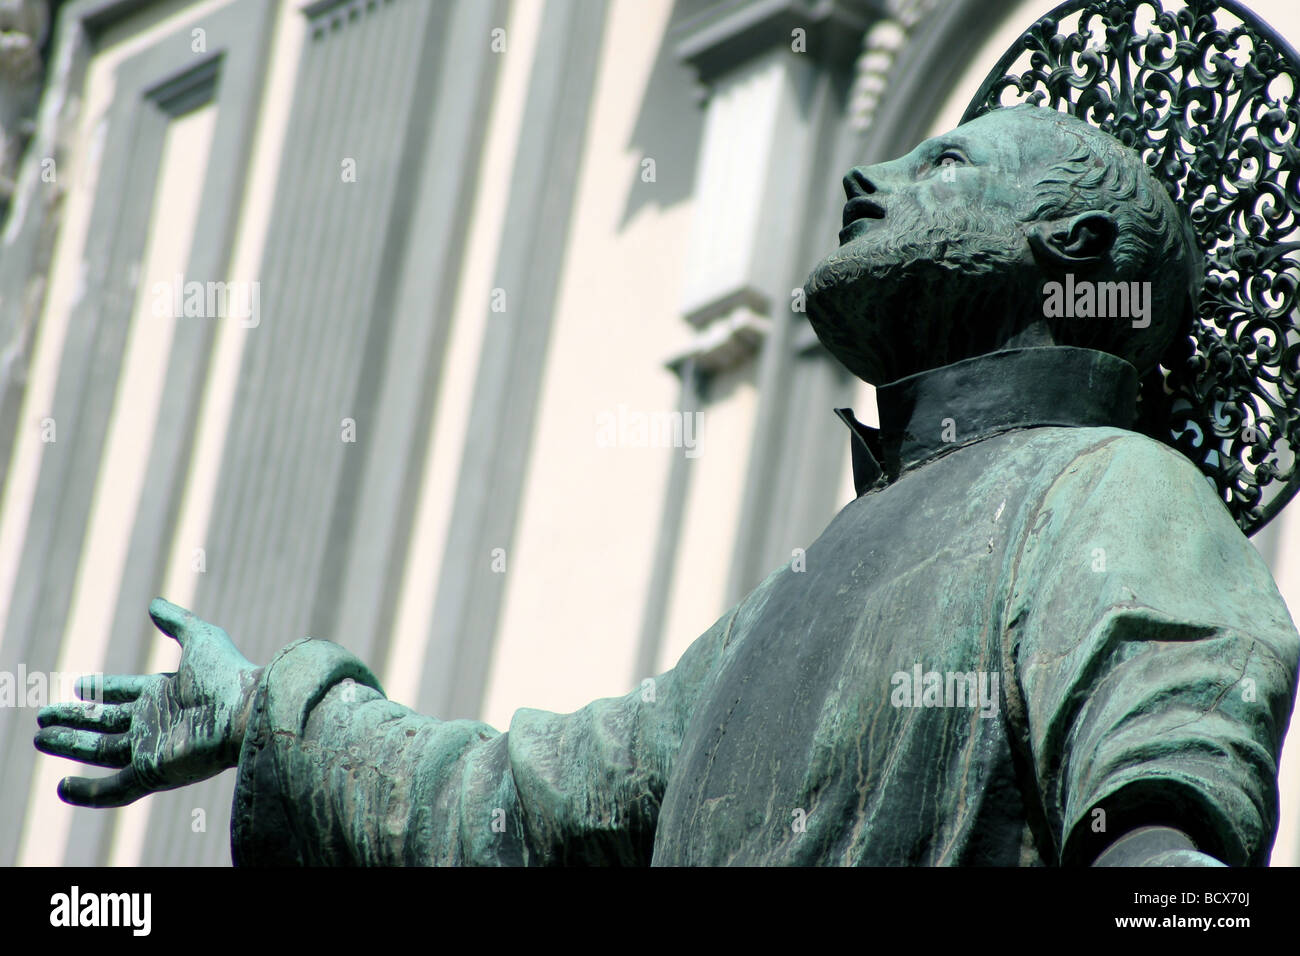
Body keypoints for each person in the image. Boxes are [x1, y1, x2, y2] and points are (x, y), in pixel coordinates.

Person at [35, 106, 1300, 866]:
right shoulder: (792, 603)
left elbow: (1162, 829)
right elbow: (519, 809)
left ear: (1067, 253)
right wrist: (267, 709)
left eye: (943, 163)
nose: (872, 177)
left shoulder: (1109, 493)